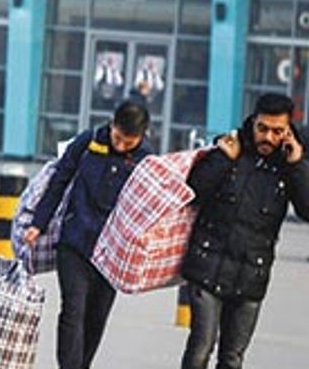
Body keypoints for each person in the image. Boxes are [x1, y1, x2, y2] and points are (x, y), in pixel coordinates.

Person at [179, 93, 309, 369]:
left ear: (287, 131)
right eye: (262, 128)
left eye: (277, 131)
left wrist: (297, 165)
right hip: (207, 265)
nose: (268, 138)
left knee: (232, 358)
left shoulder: (290, 163)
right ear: (253, 122)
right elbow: (194, 191)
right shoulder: (230, 147)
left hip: (251, 274)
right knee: (201, 347)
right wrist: (223, 159)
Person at [23, 101, 152, 369]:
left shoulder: (146, 160)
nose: (121, 146)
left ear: (142, 136)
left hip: (113, 252)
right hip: (74, 242)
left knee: (97, 315)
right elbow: (59, 180)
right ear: (111, 123)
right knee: (73, 309)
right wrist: (38, 222)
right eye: (117, 137)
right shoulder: (88, 143)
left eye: (129, 142)